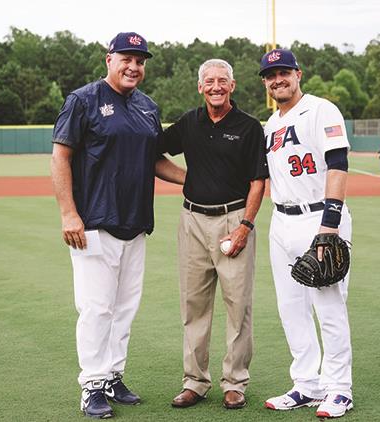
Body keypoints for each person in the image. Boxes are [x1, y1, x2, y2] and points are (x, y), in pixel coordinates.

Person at [50, 31, 185, 419]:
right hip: (93, 222)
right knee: (96, 308)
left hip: (135, 222)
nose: (134, 66)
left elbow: (155, 160)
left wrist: (192, 181)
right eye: (126, 58)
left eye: (140, 61)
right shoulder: (83, 100)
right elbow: (61, 157)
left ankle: (112, 375)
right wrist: (68, 212)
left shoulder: (147, 107)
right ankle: (91, 384)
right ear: (108, 59)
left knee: (125, 307)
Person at [160, 59, 268, 410]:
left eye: (223, 81)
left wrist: (245, 226)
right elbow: (152, 153)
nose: (216, 86)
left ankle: (235, 382)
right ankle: (195, 381)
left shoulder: (249, 127)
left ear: (232, 86)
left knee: (238, 306)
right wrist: (185, 180)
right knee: (194, 305)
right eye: (210, 81)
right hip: (192, 220)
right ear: (200, 87)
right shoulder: (190, 122)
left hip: (233, 220)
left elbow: (258, 181)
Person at [258, 48, 355, 419]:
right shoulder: (271, 124)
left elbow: (338, 163)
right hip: (280, 220)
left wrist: (329, 224)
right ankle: (307, 383)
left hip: (319, 218)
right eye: (270, 75)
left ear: (298, 74)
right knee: (290, 308)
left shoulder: (320, 109)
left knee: (328, 306)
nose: (277, 79)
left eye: (284, 72)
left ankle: (338, 388)